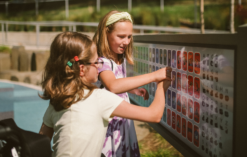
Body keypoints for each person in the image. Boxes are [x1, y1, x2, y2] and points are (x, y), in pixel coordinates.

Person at [39, 32, 172, 157]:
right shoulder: (99, 98)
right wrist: (161, 86)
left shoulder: (57, 101)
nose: (99, 65)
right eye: (96, 62)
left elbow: (41, 142)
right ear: (81, 69)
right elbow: (154, 115)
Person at [93, 10, 172, 157]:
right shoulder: (102, 62)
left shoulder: (119, 59)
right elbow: (113, 85)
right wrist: (154, 76)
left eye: (129, 36)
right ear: (106, 34)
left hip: (123, 124)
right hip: (110, 129)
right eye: (121, 36)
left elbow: (117, 85)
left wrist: (132, 90)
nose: (127, 41)